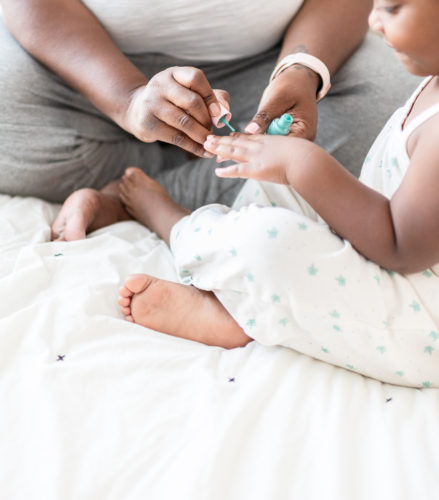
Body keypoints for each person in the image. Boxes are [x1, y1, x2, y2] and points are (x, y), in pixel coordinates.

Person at [117, 0, 439, 388]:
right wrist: (290, 164)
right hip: (382, 244)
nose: (373, 19)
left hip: (420, 318)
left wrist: (303, 164)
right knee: (279, 182)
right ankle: (253, 303)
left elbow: (401, 248)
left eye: (391, 7)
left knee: (269, 243)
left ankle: (182, 235)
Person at [0, 1, 419, 240]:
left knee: (393, 107)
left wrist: (302, 69)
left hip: (272, 62)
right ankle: (229, 168)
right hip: (83, 70)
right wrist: (129, 100)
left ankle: (131, 195)